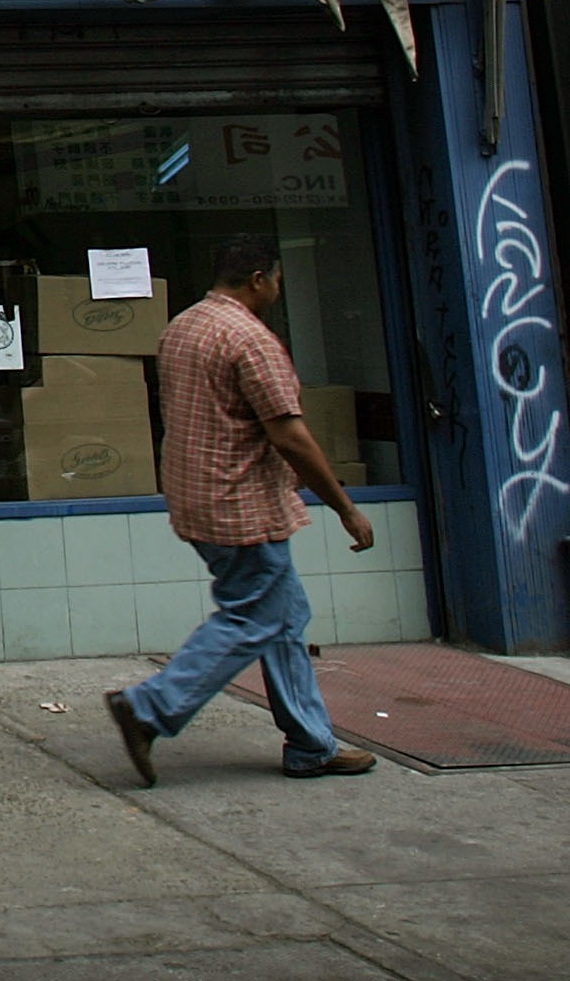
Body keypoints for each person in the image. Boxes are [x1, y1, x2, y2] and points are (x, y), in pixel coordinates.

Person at [105, 236, 377, 786]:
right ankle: (150, 707)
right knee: (256, 616)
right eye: (276, 279)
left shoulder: (182, 327)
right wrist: (345, 507)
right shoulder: (250, 339)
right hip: (242, 507)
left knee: (283, 618)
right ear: (258, 279)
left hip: (197, 496)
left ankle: (310, 744)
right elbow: (289, 433)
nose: (278, 289)